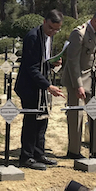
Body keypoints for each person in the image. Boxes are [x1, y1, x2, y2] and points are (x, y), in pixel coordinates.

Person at [61, 4, 96, 162]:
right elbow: (72, 62)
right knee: (76, 115)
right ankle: (74, 150)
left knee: (95, 112)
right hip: (76, 78)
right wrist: (78, 85)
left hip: (91, 78)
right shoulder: (79, 33)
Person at [15, 9, 66, 171]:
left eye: (56, 29)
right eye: (51, 27)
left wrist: (52, 63)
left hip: (41, 86)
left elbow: (42, 61)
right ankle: (26, 157)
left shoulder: (48, 37)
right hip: (30, 87)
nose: (53, 32)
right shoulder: (33, 37)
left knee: (42, 120)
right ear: (44, 22)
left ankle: (39, 153)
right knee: (31, 121)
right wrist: (48, 86)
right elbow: (31, 67)